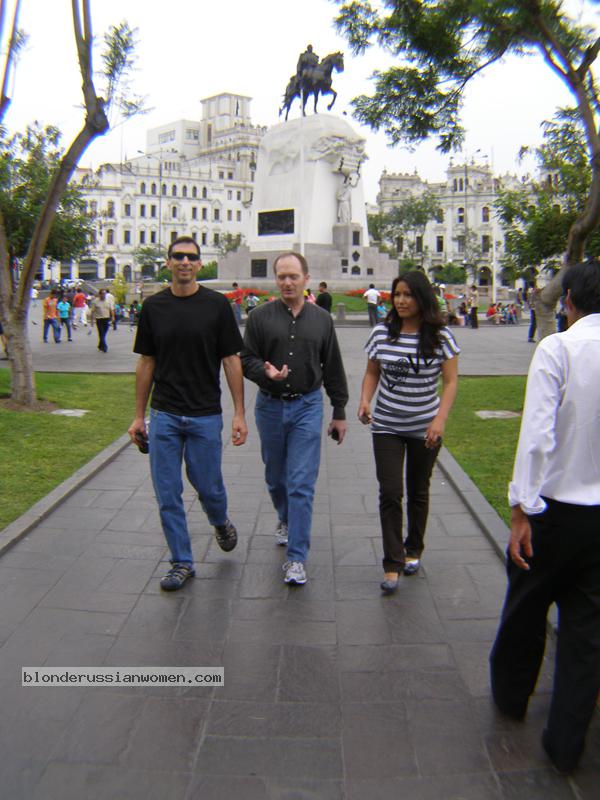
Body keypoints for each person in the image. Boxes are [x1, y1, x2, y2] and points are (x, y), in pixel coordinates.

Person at [489, 260, 600, 775]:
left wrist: (520, 508)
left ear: (570, 301)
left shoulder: (559, 348)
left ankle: (512, 698)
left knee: (526, 610)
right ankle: (566, 741)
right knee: (586, 634)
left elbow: (536, 436)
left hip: (554, 511)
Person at [128, 236, 248, 591]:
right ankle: (181, 561)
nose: (184, 262)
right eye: (177, 256)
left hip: (204, 415)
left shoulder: (216, 306)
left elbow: (231, 360)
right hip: (164, 413)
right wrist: (139, 415)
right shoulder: (154, 307)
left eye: (191, 257)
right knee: (167, 492)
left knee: (208, 485)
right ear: (168, 262)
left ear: (199, 263)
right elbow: (146, 362)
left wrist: (239, 412)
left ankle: (220, 519)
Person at [241, 251, 348, 586]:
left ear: (306, 278)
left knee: (301, 483)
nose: (287, 282)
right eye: (282, 276)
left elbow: (332, 366)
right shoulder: (259, 317)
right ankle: (285, 518)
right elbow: (244, 359)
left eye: (293, 276)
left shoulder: (321, 319)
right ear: (276, 280)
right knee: (276, 477)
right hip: (270, 407)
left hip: (307, 405)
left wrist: (339, 411)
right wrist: (264, 371)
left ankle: (297, 558)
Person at [358, 271, 459, 594]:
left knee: (418, 490)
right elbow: (372, 372)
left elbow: (452, 381)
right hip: (387, 425)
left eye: (408, 295)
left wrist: (439, 419)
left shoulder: (440, 337)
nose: (401, 301)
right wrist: (364, 399)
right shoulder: (381, 333)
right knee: (390, 492)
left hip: (425, 427)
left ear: (422, 299)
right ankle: (392, 562)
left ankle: (413, 548)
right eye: (397, 294)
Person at [90, 288, 114, 353]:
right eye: (102, 294)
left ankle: (100, 345)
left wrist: (113, 317)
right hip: (99, 319)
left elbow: (111, 309)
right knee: (101, 333)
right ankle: (104, 347)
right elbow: (92, 311)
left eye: (105, 294)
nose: (104, 295)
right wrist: (92, 320)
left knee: (104, 333)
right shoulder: (96, 301)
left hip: (106, 319)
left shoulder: (109, 301)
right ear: (99, 294)